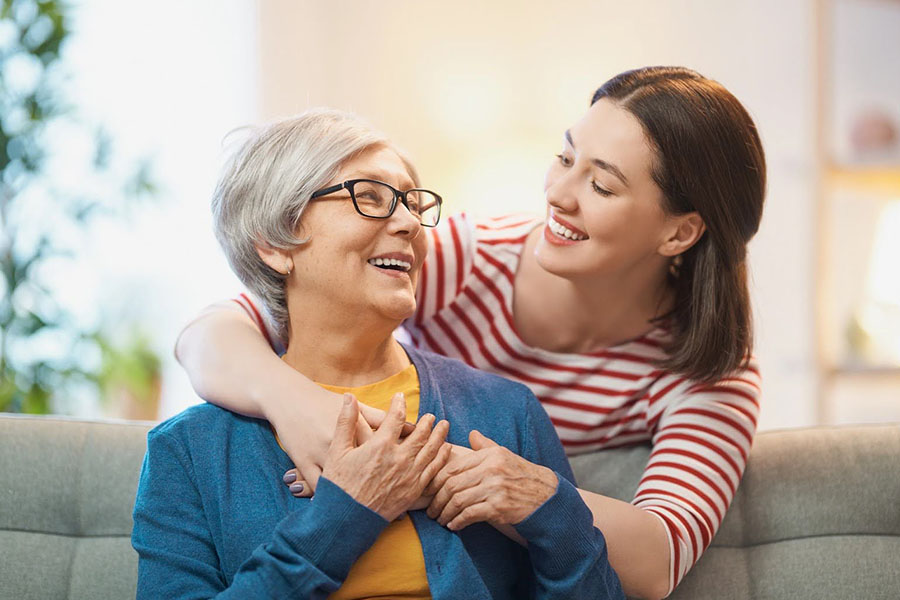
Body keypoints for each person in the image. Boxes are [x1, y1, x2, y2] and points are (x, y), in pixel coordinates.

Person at [175, 66, 765, 600]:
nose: (557, 196)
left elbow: (659, 558)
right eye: (565, 159)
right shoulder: (472, 257)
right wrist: (303, 411)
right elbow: (230, 325)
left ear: (679, 234)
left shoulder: (710, 374)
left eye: (602, 186)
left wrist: (506, 489)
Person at [132, 109, 624, 599]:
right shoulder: (189, 451)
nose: (410, 222)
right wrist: (345, 514)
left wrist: (553, 511)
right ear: (274, 243)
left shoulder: (506, 411)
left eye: (413, 203)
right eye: (369, 197)